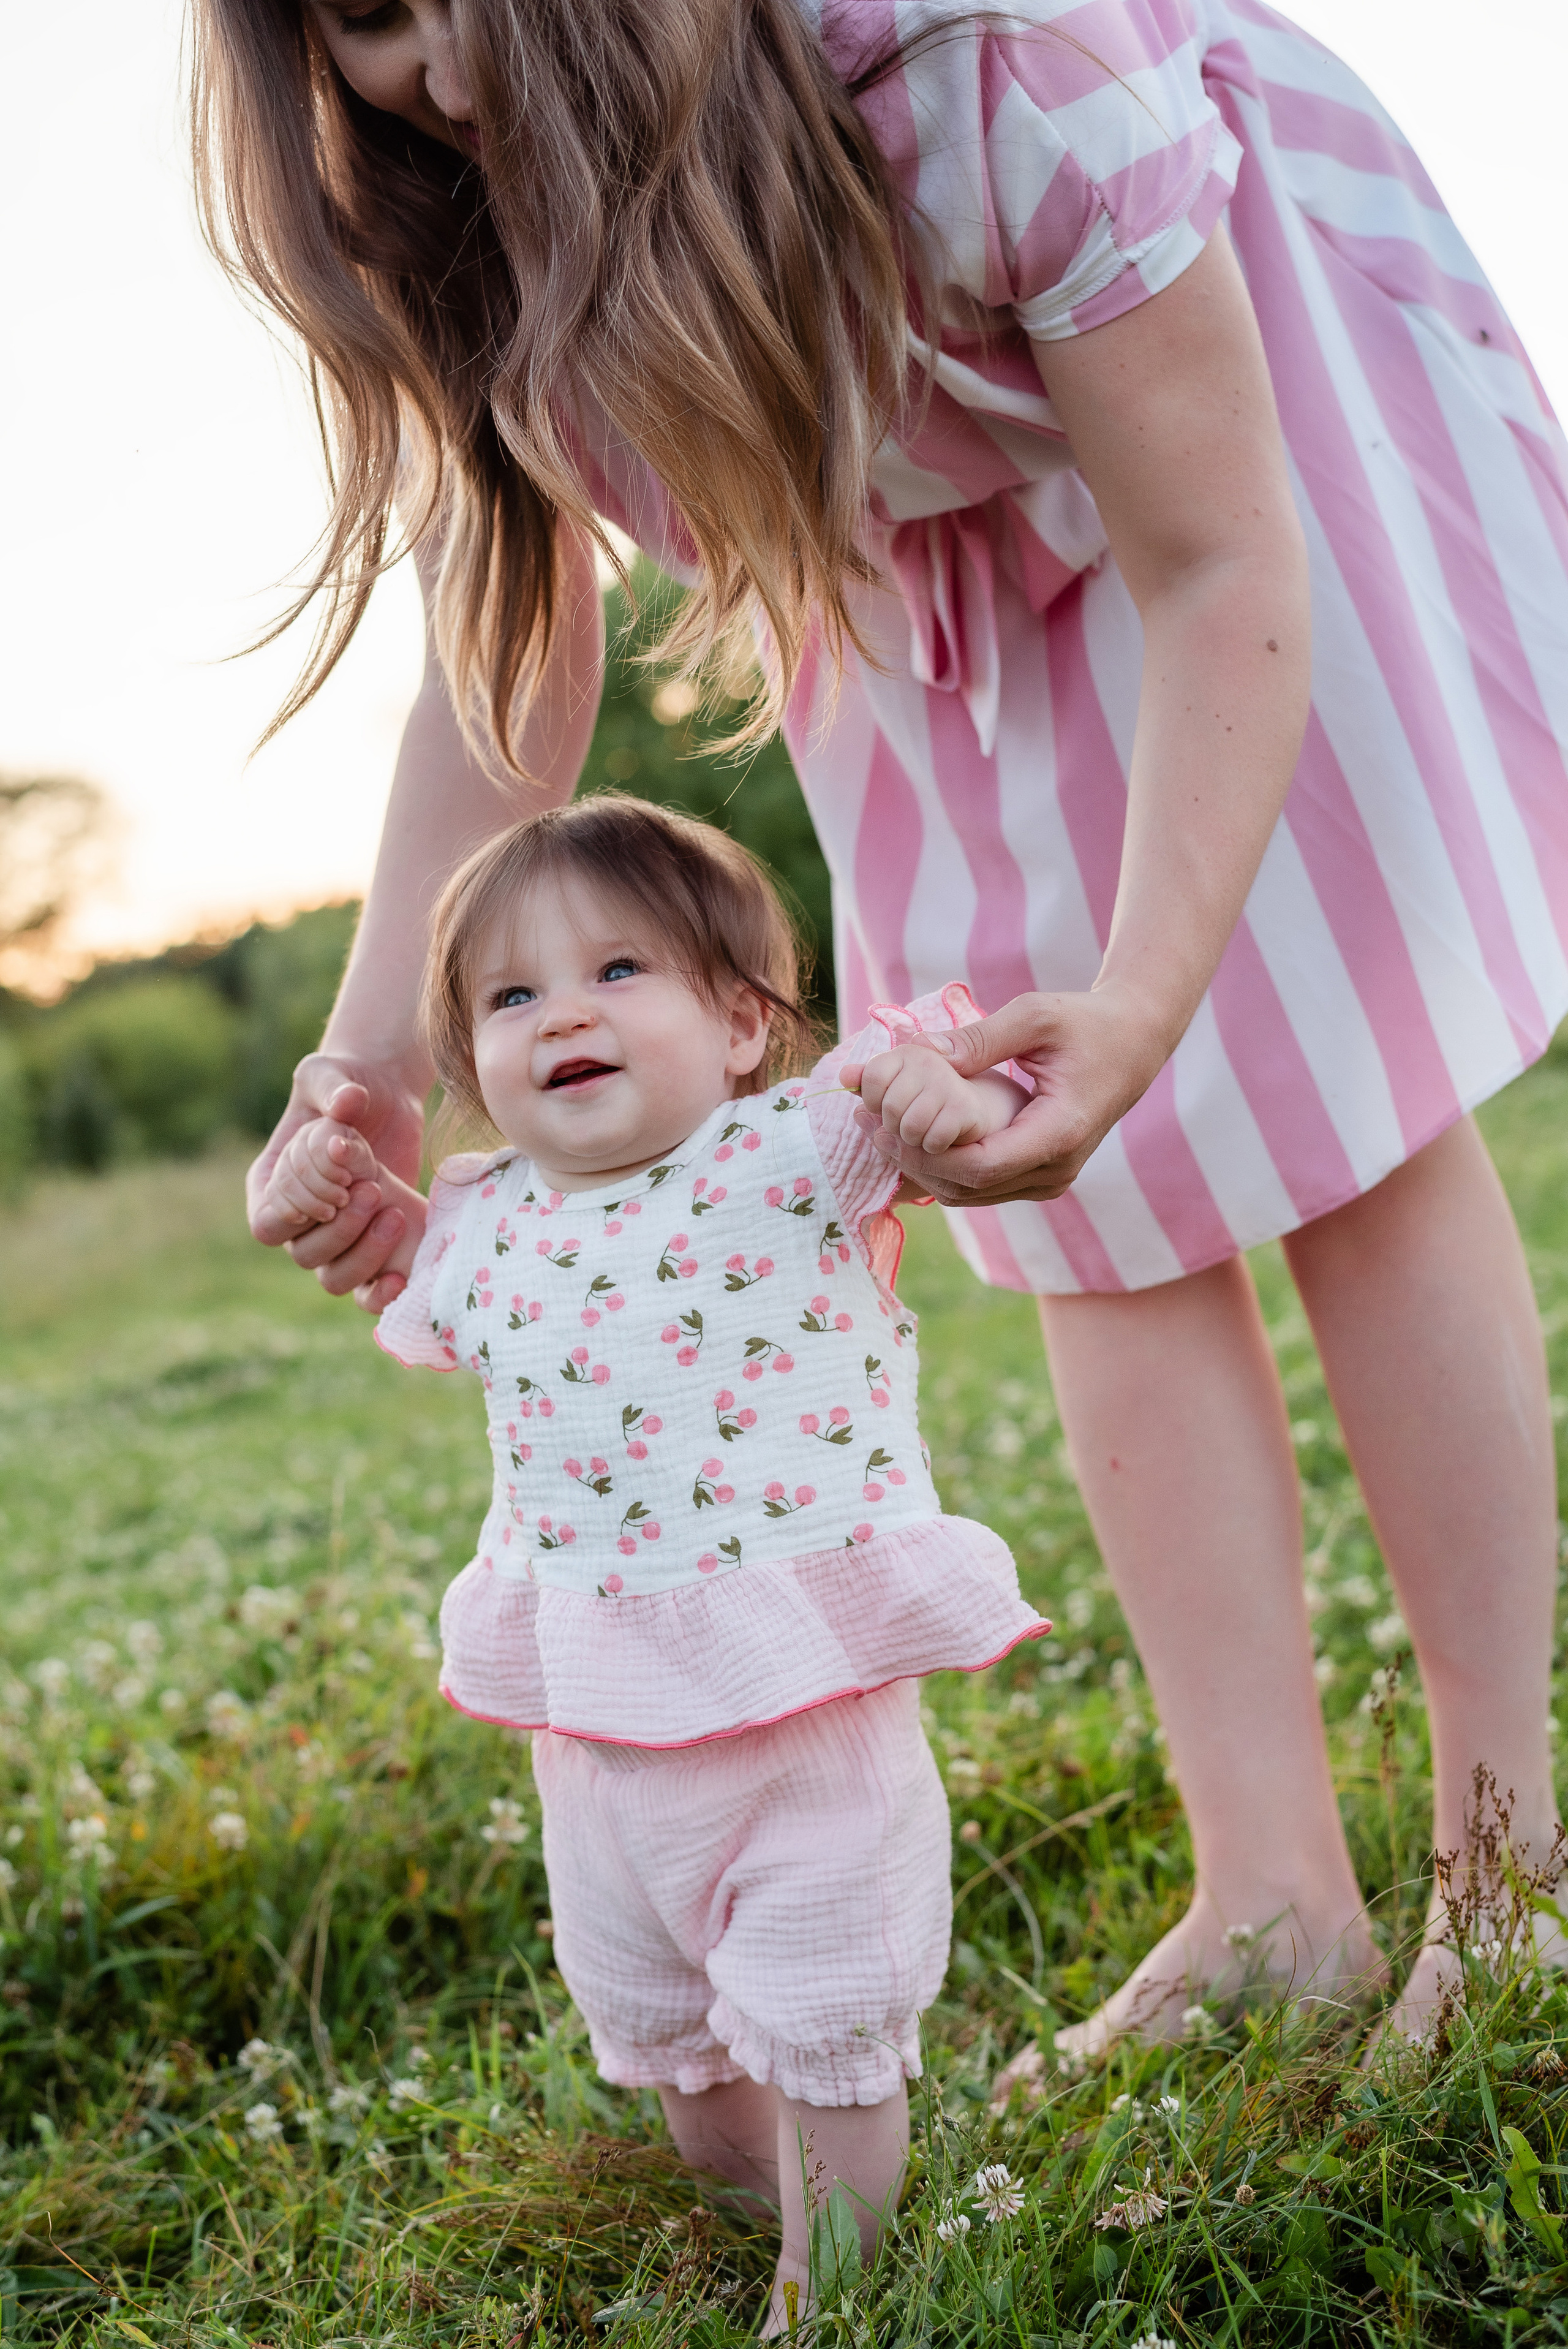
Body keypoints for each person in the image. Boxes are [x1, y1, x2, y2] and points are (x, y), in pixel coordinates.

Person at [202, 0, 1566, 2061]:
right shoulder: (476, 225)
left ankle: (1513, 1855)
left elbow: (1211, 553)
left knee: (1336, 1103)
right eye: (372, 29)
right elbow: (505, 664)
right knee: (1049, 1179)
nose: (447, 86)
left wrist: (1142, 998)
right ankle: (1278, 1890)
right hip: (923, 572)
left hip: (1233, 481)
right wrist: (372, 1054)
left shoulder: (997, 66)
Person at [261, 794, 1047, 2319]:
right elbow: (369, 1236)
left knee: (824, 2006)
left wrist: (939, 1090)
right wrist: (322, 1180)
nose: (560, 1012)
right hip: (600, 1730)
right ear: (477, 1062)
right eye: (509, 996)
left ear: (745, 1024)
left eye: (618, 971)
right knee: (665, 2031)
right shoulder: (481, 1224)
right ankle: (751, 2216)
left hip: (798, 1709)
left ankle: (839, 2280)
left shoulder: (803, 1145)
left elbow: (977, 1081)